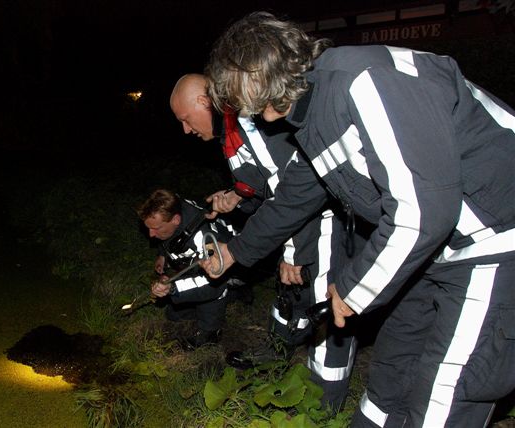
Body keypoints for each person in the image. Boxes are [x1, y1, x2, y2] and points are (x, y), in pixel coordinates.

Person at [201, 10, 515, 427]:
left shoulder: (365, 82)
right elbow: (295, 197)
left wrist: (352, 288)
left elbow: (421, 213)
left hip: (494, 239)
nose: (239, 110)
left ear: (255, 76)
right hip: (436, 251)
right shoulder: (312, 116)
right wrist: (234, 252)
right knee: (394, 366)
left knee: (446, 392)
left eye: (235, 95)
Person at [170, 73, 371, 412]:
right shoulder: (229, 132)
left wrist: (295, 252)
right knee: (289, 293)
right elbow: (263, 184)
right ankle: (276, 353)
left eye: (185, 119)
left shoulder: (247, 122)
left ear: (204, 102)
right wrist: (237, 196)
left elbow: (295, 190)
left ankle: (320, 408)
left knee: (324, 303)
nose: (186, 130)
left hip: (319, 219)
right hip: (294, 223)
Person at [137, 188, 237, 350]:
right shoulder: (175, 208)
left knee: (214, 290)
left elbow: (212, 282)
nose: (151, 234)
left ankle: (210, 331)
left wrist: (173, 288)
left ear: (176, 220)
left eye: (156, 228)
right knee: (173, 315)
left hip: (225, 272)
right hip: (198, 262)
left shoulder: (204, 239)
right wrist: (163, 255)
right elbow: (170, 238)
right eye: (149, 228)